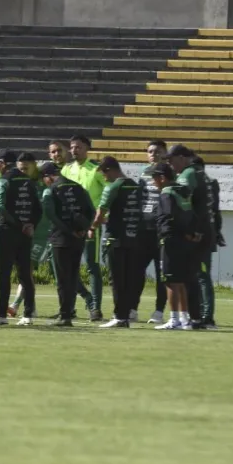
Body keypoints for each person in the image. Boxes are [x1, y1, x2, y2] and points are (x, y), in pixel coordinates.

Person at [0, 150, 42, 326]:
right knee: (25, 275)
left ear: (3, 163)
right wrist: (30, 225)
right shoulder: (29, 181)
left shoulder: (3, 180)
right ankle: (27, 315)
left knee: (4, 274)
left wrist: (18, 225)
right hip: (25, 234)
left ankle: (1, 316)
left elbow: (2, 208)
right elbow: (38, 209)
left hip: (7, 231)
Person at [89, 156, 145, 329]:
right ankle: (126, 314)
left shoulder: (113, 187)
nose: (104, 178)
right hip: (133, 238)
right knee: (129, 279)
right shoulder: (135, 186)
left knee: (117, 279)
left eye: (104, 174)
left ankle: (119, 316)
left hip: (115, 239)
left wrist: (92, 228)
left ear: (109, 170)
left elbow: (100, 213)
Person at [40, 163, 94, 328]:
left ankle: (65, 315)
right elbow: (91, 211)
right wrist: (83, 229)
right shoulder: (78, 187)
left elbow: (51, 215)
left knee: (63, 279)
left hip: (61, 239)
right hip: (79, 239)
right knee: (72, 275)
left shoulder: (51, 190)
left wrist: (70, 231)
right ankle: (68, 312)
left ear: (48, 176)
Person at [61, 135, 106, 321]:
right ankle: (71, 306)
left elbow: (109, 191)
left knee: (92, 267)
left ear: (87, 148)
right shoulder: (66, 169)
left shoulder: (95, 170)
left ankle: (95, 307)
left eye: (78, 147)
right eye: (72, 147)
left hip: (90, 226)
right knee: (67, 268)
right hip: (69, 226)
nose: (74, 150)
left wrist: (102, 216)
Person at [167, 144, 212, 328]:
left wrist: (193, 231)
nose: (170, 164)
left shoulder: (188, 175)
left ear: (182, 158)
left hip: (196, 233)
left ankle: (197, 318)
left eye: (171, 160)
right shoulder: (200, 173)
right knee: (197, 275)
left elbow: (185, 205)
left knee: (191, 276)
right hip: (204, 230)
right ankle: (198, 318)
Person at [151, 163, 196, 330]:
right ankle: (185, 319)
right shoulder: (181, 191)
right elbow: (189, 214)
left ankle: (174, 319)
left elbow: (170, 216)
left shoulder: (166, 194)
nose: (152, 182)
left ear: (162, 178)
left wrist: (167, 233)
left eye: (154, 178)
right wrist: (189, 232)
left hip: (171, 240)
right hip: (184, 241)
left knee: (170, 280)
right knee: (181, 280)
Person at [10, 153, 49, 318]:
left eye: (26, 168)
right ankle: (30, 307)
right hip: (23, 234)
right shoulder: (19, 185)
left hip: (41, 234)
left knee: (28, 270)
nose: (23, 171)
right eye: (20, 169)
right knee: (25, 271)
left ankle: (16, 305)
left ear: (34, 165)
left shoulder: (42, 184)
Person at [138, 140, 169, 324]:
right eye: (150, 151)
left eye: (157, 151)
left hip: (161, 231)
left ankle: (159, 311)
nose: (153, 154)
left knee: (161, 273)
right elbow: (140, 199)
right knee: (136, 271)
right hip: (144, 231)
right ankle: (132, 308)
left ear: (165, 153)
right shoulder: (144, 174)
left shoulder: (168, 173)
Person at [200, 157, 224, 330]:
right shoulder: (211, 184)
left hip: (202, 237)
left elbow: (213, 211)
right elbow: (216, 212)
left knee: (202, 277)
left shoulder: (205, 184)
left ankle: (206, 317)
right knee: (201, 276)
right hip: (209, 235)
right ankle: (202, 315)